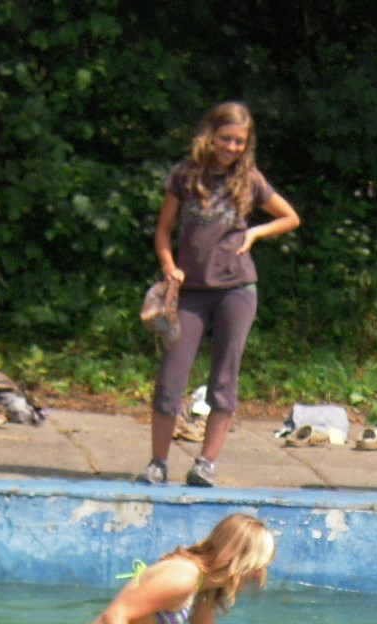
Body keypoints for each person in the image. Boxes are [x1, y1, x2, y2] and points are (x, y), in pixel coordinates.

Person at [142, 101, 299, 488]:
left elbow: (290, 216)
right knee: (170, 379)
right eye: (226, 139)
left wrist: (255, 232)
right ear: (210, 136)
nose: (231, 147)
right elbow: (163, 229)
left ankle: (205, 464)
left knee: (224, 379)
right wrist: (169, 266)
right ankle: (158, 463)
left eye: (239, 141)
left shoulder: (250, 180)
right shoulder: (185, 176)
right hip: (190, 293)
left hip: (236, 290)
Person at [55, 513, 277, 624]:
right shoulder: (183, 578)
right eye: (259, 566)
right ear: (240, 560)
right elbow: (116, 614)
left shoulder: (202, 583)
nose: (259, 575)